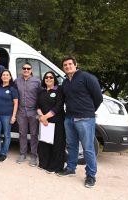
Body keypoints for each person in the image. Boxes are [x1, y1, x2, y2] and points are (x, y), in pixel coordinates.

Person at [57, 56, 103, 188]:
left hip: (85, 119)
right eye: (65, 65)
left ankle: (91, 175)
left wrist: (89, 110)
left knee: (88, 148)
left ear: (76, 65)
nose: (67, 66)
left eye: (70, 64)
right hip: (69, 119)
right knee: (72, 145)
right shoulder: (65, 82)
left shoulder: (87, 77)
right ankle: (71, 168)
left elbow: (98, 97)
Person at [37, 71, 66, 173]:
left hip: (56, 121)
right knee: (45, 143)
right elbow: (37, 106)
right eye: (46, 77)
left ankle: (55, 167)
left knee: (57, 144)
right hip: (44, 122)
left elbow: (58, 106)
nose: (48, 79)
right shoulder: (41, 92)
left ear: (54, 79)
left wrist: (45, 117)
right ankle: (44, 164)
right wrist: (41, 116)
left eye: (51, 77)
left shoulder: (59, 90)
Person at [15, 62, 42, 167]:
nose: (26, 70)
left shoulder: (37, 81)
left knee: (34, 134)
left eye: (28, 68)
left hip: (33, 112)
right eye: (24, 68)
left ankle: (34, 156)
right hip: (21, 112)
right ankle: (22, 154)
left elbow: (42, 95)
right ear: (22, 69)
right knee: (22, 134)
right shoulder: (17, 81)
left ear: (31, 70)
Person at [0, 69, 18, 163]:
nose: (5, 76)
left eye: (7, 75)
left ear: (10, 77)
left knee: (7, 135)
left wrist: (14, 116)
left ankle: (3, 153)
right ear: (1, 77)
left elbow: (16, 104)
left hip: (7, 115)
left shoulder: (12, 89)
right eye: (3, 75)